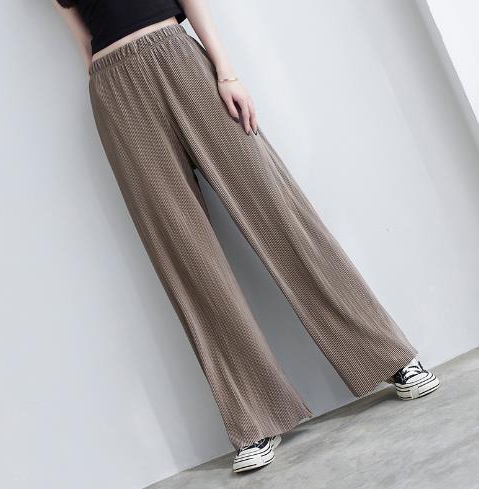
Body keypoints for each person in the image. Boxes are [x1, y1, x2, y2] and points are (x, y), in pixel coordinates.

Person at [52, 0, 440, 474]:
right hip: (115, 91)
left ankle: (384, 357)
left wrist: (225, 72)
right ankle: (252, 418)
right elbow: (82, 41)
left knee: (277, 214)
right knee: (186, 258)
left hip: (179, 58)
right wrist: (104, 85)